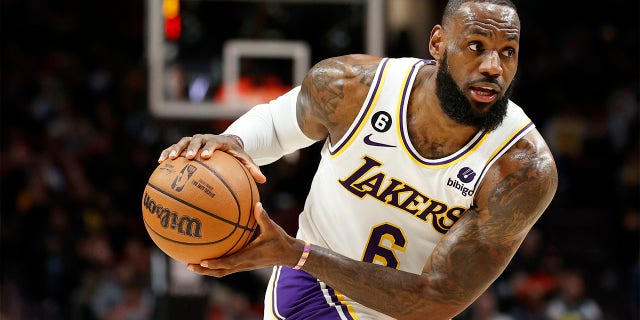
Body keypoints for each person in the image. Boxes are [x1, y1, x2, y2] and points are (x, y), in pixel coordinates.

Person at [158, 0, 558, 318]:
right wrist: (229, 141)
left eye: (508, 52)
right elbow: (280, 127)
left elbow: (437, 298)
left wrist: (294, 251)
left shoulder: (521, 168)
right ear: (437, 43)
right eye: (477, 47)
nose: (493, 67)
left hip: (409, 308)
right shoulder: (353, 87)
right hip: (314, 290)